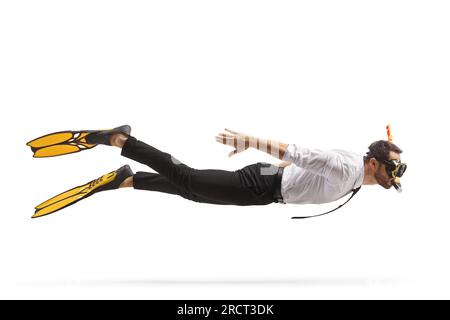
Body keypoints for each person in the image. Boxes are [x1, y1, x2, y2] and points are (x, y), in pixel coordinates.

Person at [27, 125, 406, 218]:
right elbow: (298, 152)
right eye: (392, 168)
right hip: (262, 185)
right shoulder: (345, 167)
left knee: (192, 190)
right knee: (189, 179)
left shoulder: (355, 172)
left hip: (267, 185)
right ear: (374, 162)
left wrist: (279, 172)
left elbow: (302, 163)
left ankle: (125, 179)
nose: (395, 175)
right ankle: (120, 141)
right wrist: (250, 140)